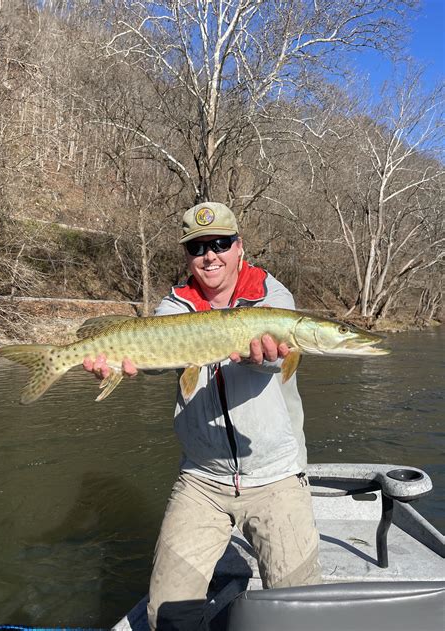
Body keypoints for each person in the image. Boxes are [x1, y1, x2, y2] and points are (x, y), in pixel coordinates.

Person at [84, 202, 322, 630]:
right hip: (201, 480)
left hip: (276, 477)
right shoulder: (175, 305)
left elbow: (277, 361)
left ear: (239, 247)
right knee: (167, 615)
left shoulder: (272, 296)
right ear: (188, 256)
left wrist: (263, 359)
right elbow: (156, 357)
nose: (210, 255)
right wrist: (119, 364)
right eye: (198, 247)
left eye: (220, 243)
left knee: (300, 613)